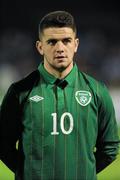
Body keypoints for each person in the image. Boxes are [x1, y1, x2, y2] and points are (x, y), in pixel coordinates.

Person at [0, 10, 119, 180]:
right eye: (52, 42)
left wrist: (82, 172)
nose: (60, 48)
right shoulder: (19, 92)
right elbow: (3, 145)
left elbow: (110, 148)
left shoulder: (97, 91)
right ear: (40, 47)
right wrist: (30, 173)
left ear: (76, 44)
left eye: (66, 41)